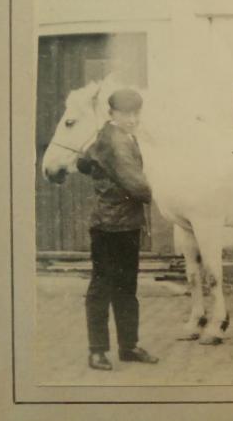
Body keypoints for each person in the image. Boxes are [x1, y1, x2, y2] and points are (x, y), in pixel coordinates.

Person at [77, 88, 159, 371]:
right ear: (112, 114)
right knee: (103, 287)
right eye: (126, 114)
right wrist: (159, 190)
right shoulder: (116, 141)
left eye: (136, 113)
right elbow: (137, 185)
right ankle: (97, 351)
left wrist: (100, 174)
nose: (133, 119)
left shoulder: (110, 136)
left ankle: (128, 347)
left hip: (123, 225)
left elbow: (82, 162)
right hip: (111, 227)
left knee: (126, 287)